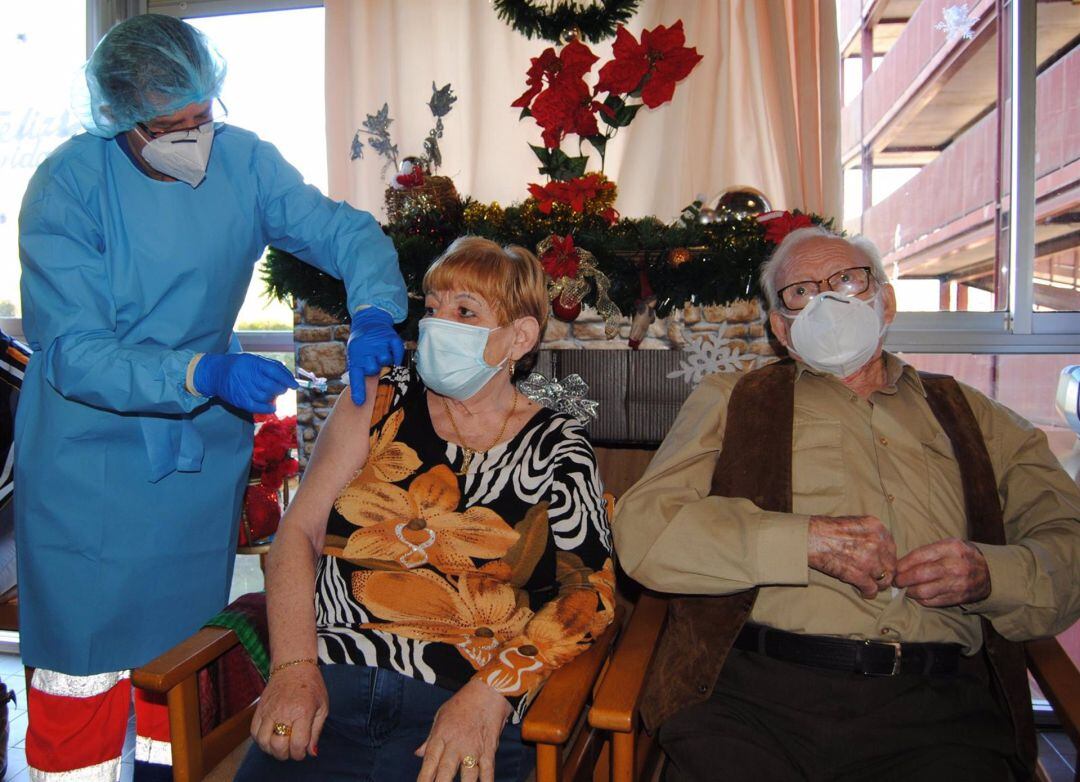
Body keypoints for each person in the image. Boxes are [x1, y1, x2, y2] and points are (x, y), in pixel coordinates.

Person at [16, 14, 407, 781]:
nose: (193, 137)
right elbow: (73, 353)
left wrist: (373, 310)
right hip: (90, 463)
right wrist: (200, 376)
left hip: (195, 468)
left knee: (185, 664)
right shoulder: (69, 187)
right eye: (170, 125)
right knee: (82, 674)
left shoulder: (245, 165)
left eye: (203, 116)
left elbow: (347, 234)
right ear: (121, 120)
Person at [615, 225, 1080, 782]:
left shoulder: (971, 415)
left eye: (848, 281)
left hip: (937, 713)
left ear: (885, 301)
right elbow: (643, 531)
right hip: (755, 702)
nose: (828, 300)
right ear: (781, 329)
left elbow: (1068, 541)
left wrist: (990, 574)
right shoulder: (732, 399)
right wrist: (802, 541)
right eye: (801, 291)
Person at [235, 237, 615, 782]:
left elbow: (591, 596)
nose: (437, 326)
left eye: (465, 311)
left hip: (464, 700)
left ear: (520, 336)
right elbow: (299, 533)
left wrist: (491, 694)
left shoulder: (557, 446)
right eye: (433, 308)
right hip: (332, 684)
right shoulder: (377, 399)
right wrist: (293, 668)